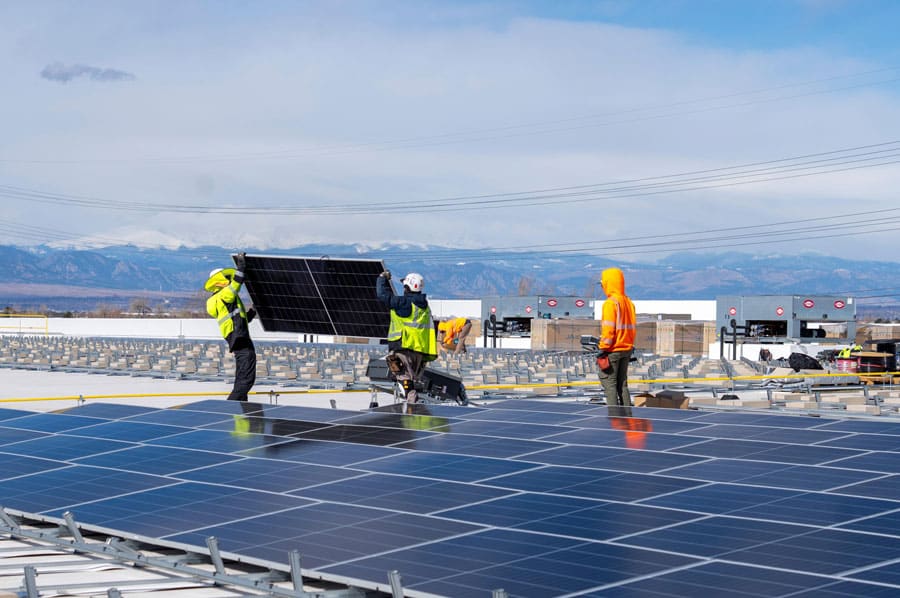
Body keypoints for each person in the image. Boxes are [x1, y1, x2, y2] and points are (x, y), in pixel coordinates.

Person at [376, 270, 437, 403]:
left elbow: (383, 295)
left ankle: (412, 403)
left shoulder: (405, 303)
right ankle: (411, 402)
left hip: (403, 347)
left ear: (408, 287)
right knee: (409, 379)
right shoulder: (425, 308)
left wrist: (382, 279)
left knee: (403, 378)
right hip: (419, 351)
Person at [205, 253, 257, 401]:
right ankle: (231, 405)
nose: (229, 280)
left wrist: (252, 312)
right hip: (238, 336)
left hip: (235, 335)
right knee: (246, 377)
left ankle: (240, 407)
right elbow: (236, 284)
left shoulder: (217, 300)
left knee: (242, 374)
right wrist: (241, 267)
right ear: (220, 281)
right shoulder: (224, 294)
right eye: (226, 278)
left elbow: (238, 317)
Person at [597, 267, 637, 407]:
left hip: (612, 351)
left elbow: (608, 330)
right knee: (622, 385)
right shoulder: (628, 303)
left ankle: (614, 418)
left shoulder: (610, 303)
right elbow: (631, 328)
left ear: (608, 283)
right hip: (626, 349)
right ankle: (627, 414)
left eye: (603, 284)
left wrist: (602, 348)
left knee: (610, 385)